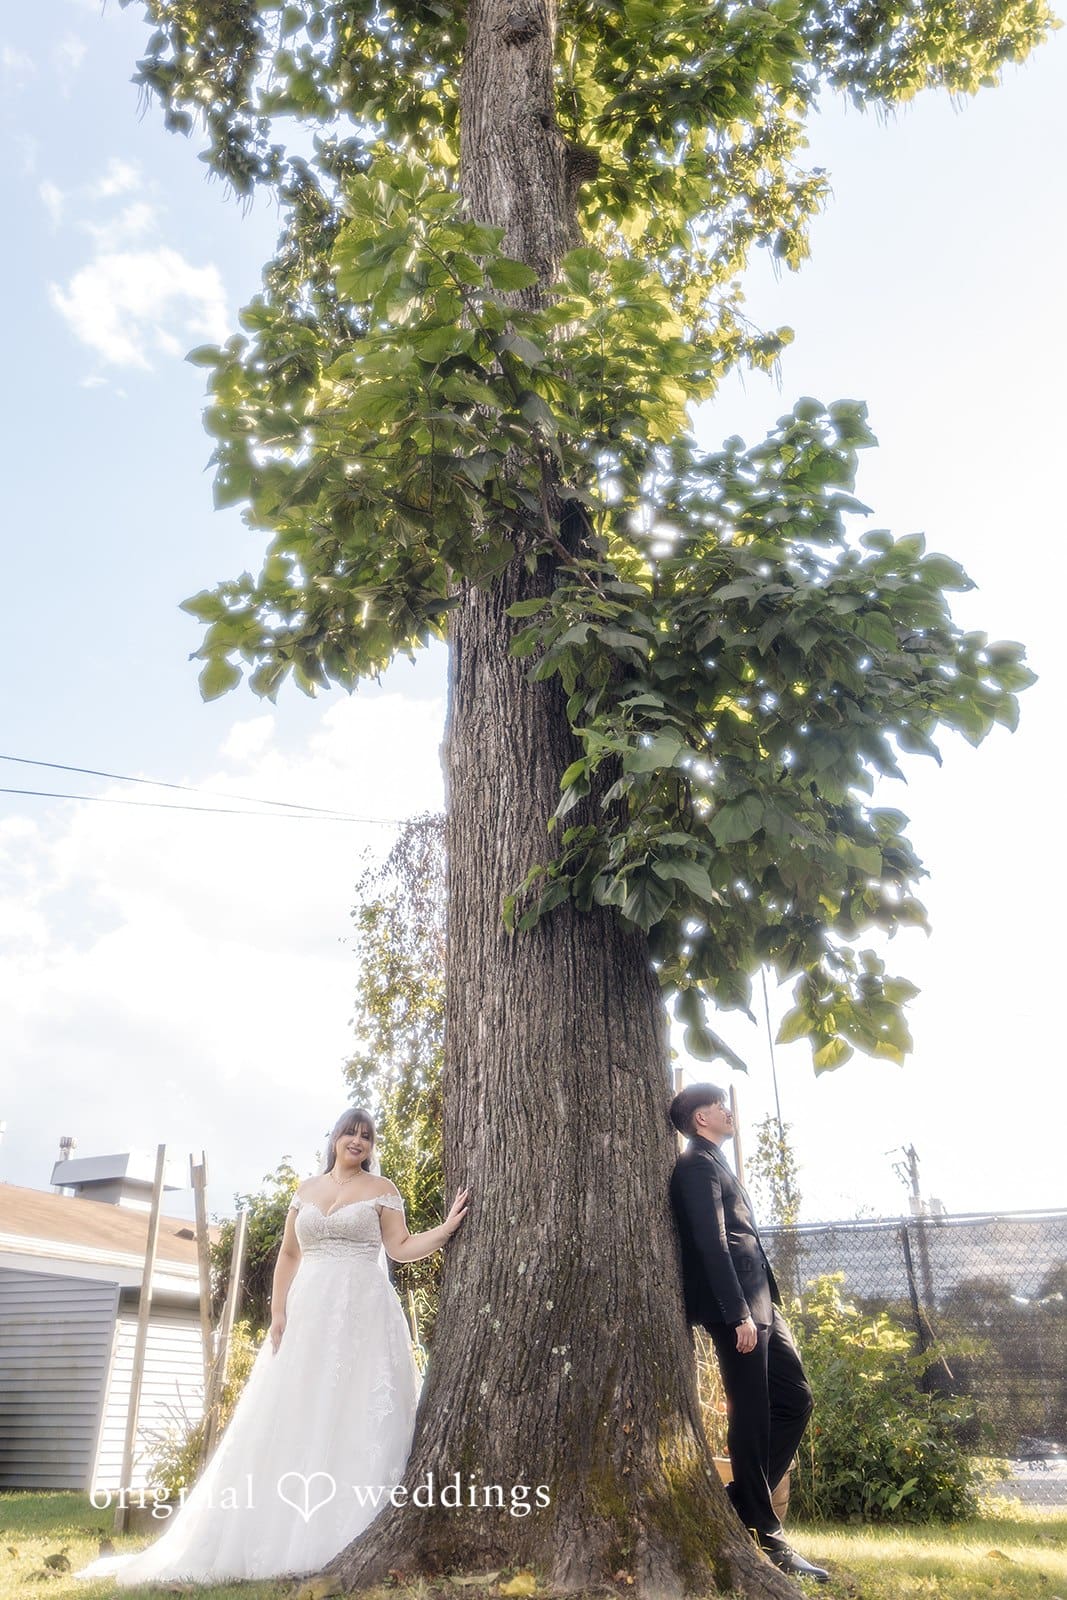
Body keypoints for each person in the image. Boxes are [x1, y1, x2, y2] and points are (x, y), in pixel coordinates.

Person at [76, 1108, 469, 1586]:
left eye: (366, 1136)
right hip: (307, 1316)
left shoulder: (382, 1192)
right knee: (296, 1411)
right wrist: (278, 1310)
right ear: (335, 1137)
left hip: (363, 1318)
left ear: (371, 1146)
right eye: (351, 1131)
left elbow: (401, 1247)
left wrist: (446, 1230)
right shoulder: (305, 1191)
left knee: (351, 1411)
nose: (358, 1141)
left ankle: (346, 1528)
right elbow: (288, 1253)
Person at [668, 1082, 829, 1584]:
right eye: (718, 1104)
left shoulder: (717, 1161)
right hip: (736, 1306)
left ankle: (739, 1498)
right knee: (752, 1409)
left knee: (796, 1398)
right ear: (700, 1119)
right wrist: (736, 1311)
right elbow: (711, 1244)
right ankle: (764, 1529)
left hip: (763, 1302)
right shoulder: (695, 1166)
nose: (727, 1109)